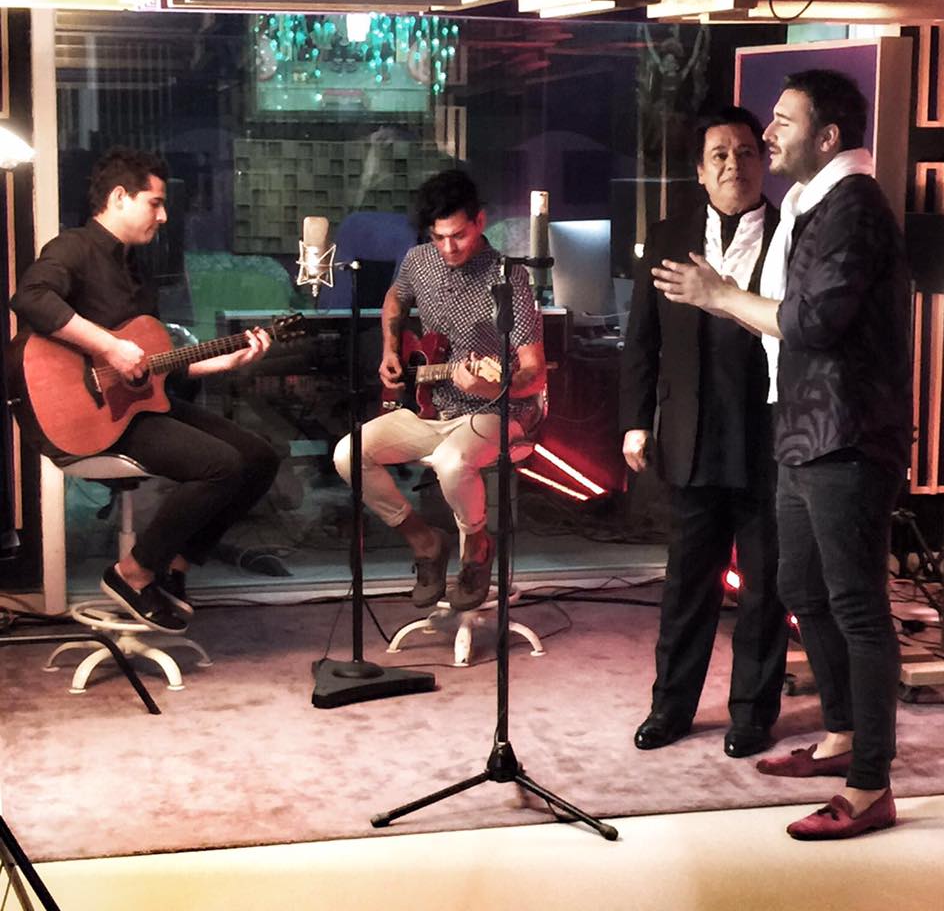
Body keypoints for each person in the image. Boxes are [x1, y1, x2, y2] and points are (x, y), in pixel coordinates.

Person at [652, 70, 911, 840]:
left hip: (847, 433)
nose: (767, 135)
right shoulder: (811, 202)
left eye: (783, 121)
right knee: (801, 586)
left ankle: (871, 786)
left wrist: (719, 295)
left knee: (857, 605)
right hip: (801, 427)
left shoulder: (854, 205)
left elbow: (813, 320)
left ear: (827, 137)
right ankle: (843, 735)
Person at [11, 147, 280, 632]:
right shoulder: (74, 248)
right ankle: (132, 573)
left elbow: (153, 369)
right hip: (89, 417)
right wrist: (109, 348)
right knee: (221, 465)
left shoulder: (136, 269)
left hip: (137, 407)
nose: (164, 215)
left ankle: (174, 565)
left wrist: (224, 361)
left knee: (260, 457)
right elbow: (29, 298)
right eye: (155, 203)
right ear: (119, 197)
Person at [621, 106, 787, 759]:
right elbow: (642, 341)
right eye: (719, 154)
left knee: (766, 587)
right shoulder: (668, 236)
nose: (733, 165)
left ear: (763, 161)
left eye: (745, 152)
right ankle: (670, 708)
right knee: (687, 584)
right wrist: (635, 422)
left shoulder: (791, 234)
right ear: (699, 169)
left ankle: (753, 713)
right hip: (691, 434)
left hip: (769, 434)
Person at [333, 169, 546, 611]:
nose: (449, 248)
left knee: (451, 461)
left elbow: (535, 374)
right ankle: (425, 541)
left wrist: (490, 383)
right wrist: (390, 348)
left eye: (459, 235)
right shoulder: (419, 261)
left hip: (497, 410)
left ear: (480, 221)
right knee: (347, 454)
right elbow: (395, 298)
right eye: (439, 237)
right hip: (432, 408)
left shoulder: (509, 278)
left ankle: (477, 546)